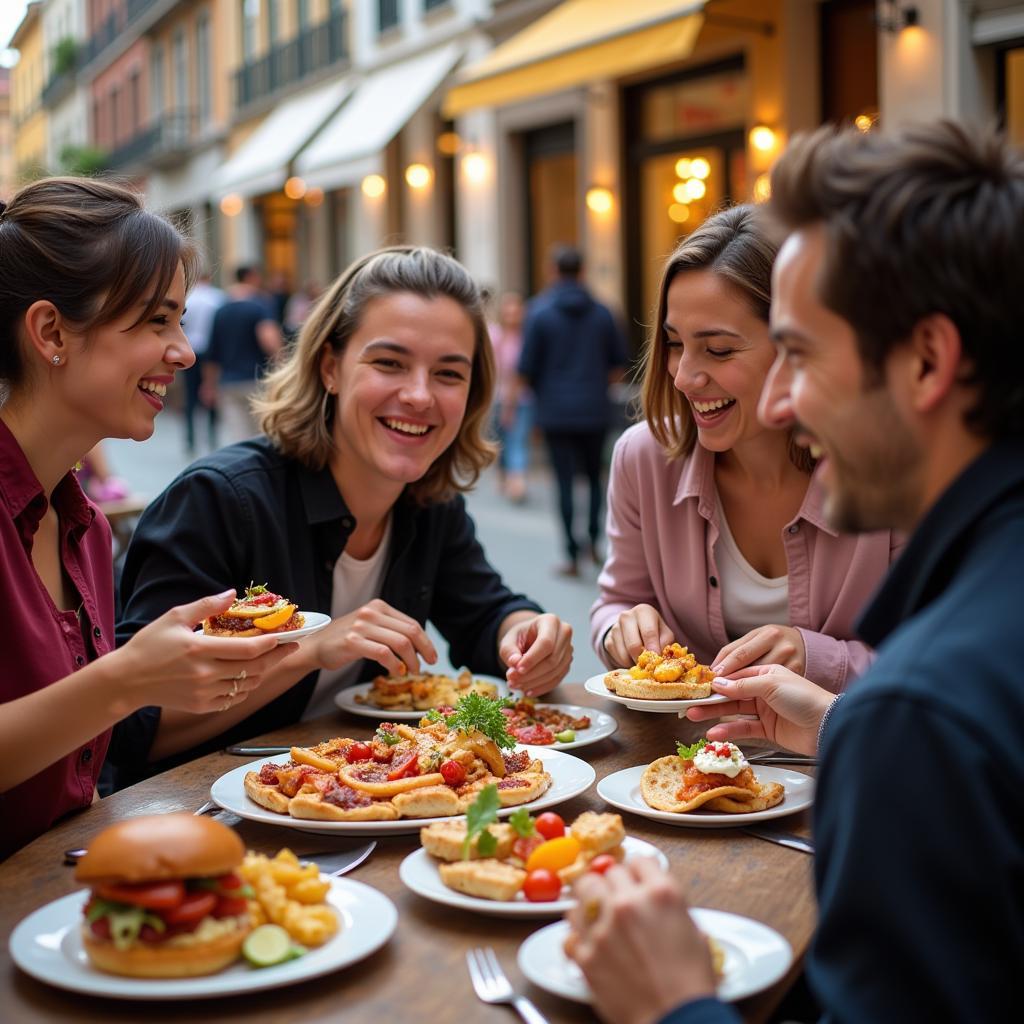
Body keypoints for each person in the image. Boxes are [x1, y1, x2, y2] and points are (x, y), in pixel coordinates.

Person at [565, 120, 1024, 1023]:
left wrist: (674, 1004)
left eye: (800, 354)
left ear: (929, 360)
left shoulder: (921, 721)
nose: (779, 400)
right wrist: (841, 725)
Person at [112, 246, 574, 785]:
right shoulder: (220, 501)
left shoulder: (427, 502)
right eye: (389, 363)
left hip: (359, 809)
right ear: (331, 367)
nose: (420, 395)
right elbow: (136, 727)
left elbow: (484, 614)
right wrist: (310, 650)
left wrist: (528, 635)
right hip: (201, 821)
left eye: (449, 374)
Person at [0, 177, 296, 859]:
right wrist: (127, 680)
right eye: (157, 320)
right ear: (51, 332)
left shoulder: (87, 529)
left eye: (181, 321)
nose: (184, 353)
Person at [591, 206, 900, 694]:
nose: (684, 376)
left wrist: (814, 657)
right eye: (674, 344)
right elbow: (615, 603)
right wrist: (620, 630)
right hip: (681, 761)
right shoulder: (644, 456)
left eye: (718, 350)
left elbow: (940, 666)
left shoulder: (894, 471)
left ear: (800, 348)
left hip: (840, 756)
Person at [519, 245, 627, 576]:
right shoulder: (603, 312)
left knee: (564, 482)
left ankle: (570, 553)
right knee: (595, 478)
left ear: (553, 270)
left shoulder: (539, 312)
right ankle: (594, 544)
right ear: (582, 271)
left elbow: (526, 367)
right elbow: (619, 363)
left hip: (555, 410)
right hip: (594, 407)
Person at [203, 266, 284, 445]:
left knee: (239, 440)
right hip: (257, 380)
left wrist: (209, 385)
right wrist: (282, 364)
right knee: (263, 436)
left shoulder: (221, 310)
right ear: (252, 278)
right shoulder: (260, 305)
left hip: (229, 383)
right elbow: (268, 338)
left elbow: (212, 354)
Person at [489, 291, 532, 502]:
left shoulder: (527, 337)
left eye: (516, 310)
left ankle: (517, 482)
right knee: (501, 438)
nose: (512, 315)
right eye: (508, 310)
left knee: (517, 439)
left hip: (523, 399)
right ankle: (504, 475)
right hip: (498, 397)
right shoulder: (494, 335)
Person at [181, 268, 226, 455]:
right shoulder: (218, 298)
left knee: (190, 396)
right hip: (213, 350)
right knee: (212, 392)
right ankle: (212, 435)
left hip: (191, 348)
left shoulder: (188, 298)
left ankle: (191, 438)